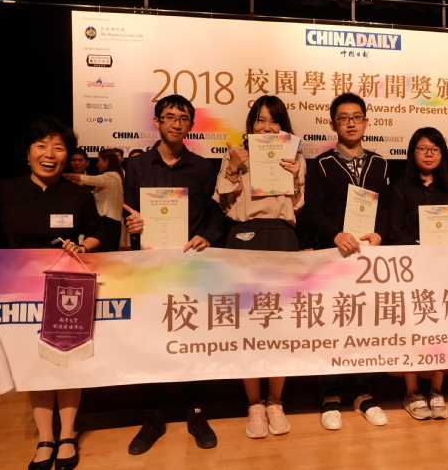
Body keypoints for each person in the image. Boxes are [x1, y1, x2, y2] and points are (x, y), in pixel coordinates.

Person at [0, 117, 103, 470]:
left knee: (67, 357)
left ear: (67, 156)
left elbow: (100, 231)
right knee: (35, 361)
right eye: (41, 146)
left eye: (59, 148)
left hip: (68, 289)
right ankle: (45, 438)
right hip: (19, 291)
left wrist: (84, 246)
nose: (50, 154)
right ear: (28, 153)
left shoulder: (78, 194)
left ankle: (68, 434)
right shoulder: (8, 188)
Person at [122, 94, 223, 454]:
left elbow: (215, 214)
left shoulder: (202, 167)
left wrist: (207, 236)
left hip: (189, 267)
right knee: (150, 342)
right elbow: (127, 212)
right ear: (157, 121)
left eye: (183, 118)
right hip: (149, 268)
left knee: (191, 339)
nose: (176, 124)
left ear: (191, 125)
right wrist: (132, 225)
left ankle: (196, 413)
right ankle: (153, 417)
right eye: (169, 117)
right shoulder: (136, 166)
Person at [213, 95, 305, 438]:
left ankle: (275, 401)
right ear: (251, 124)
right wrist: (234, 168)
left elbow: (299, 206)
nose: (267, 127)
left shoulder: (295, 156)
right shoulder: (236, 154)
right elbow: (223, 203)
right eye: (261, 120)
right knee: (247, 326)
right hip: (243, 237)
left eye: (274, 121)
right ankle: (254, 404)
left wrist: (295, 180)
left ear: (283, 125)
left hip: (282, 236)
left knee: (281, 324)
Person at [303, 92, 389, 430]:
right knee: (333, 325)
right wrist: (335, 234)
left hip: (368, 260)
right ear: (333, 124)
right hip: (333, 257)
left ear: (366, 122)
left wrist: (380, 234)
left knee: (366, 325)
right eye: (343, 118)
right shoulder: (321, 164)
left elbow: (387, 209)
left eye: (356, 117)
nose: (350, 123)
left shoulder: (381, 164)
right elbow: (312, 211)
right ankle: (330, 395)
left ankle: (364, 394)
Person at [389, 127, 448, 420]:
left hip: (442, 272)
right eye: (422, 148)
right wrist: (423, 247)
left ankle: (436, 390)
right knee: (412, 331)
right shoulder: (399, 188)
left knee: (442, 330)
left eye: (434, 149)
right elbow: (394, 233)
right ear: (412, 153)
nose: (428, 154)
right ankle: (412, 391)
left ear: (442, 154)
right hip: (411, 271)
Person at [64, 149, 124, 252]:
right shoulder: (114, 176)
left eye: (99, 160)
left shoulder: (111, 176)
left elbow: (89, 179)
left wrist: (66, 176)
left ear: (107, 161)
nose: (97, 164)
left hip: (107, 220)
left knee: (104, 254)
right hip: (108, 220)